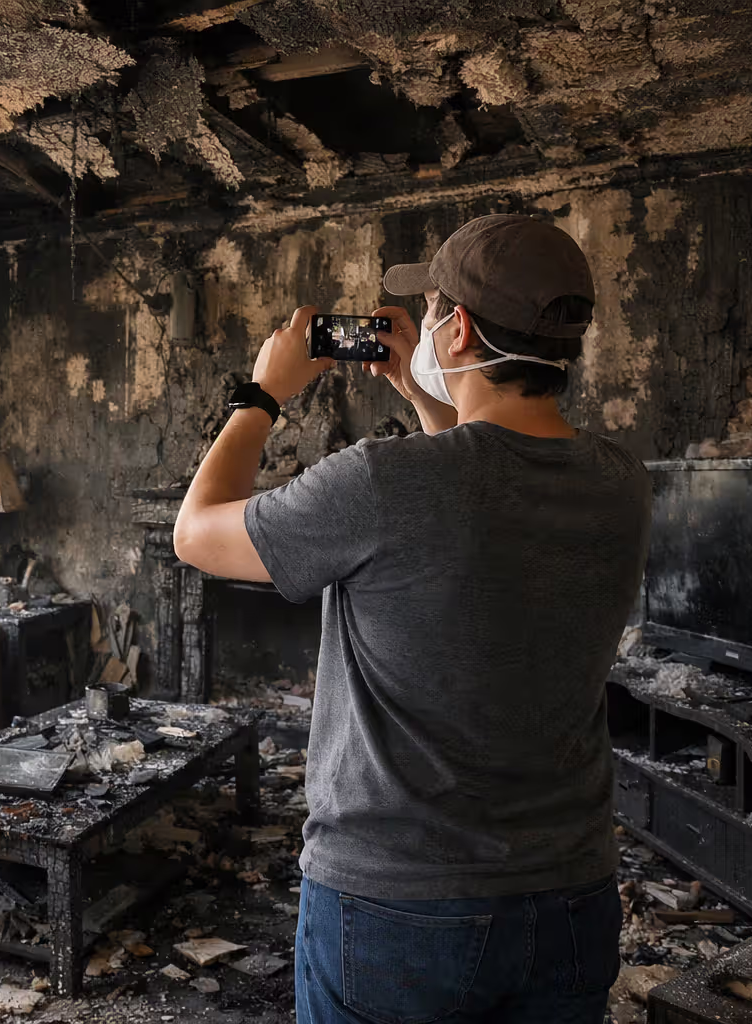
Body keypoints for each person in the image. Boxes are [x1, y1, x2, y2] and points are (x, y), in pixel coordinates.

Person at [172, 214, 652, 1023]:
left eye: (431, 308)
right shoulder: (621, 481)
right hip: (569, 892)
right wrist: (424, 395)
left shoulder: (379, 481)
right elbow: (480, 497)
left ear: (457, 329)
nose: (424, 323)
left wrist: (264, 393)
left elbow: (196, 533)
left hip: (398, 904)